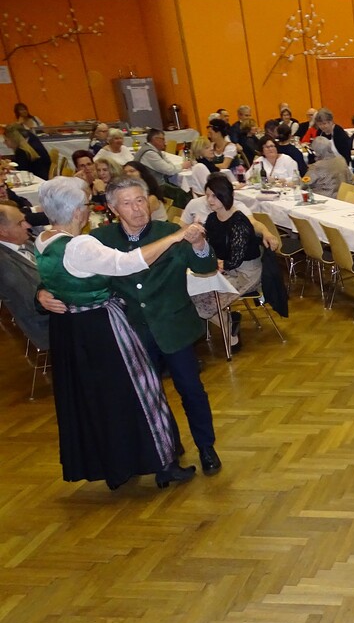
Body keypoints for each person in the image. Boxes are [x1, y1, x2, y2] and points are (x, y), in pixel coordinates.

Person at [34, 177, 202, 489]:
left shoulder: (44, 239)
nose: (88, 210)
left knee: (106, 399)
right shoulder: (81, 244)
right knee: (144, 391)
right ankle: (163, 464)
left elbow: (58, 277)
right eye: (86, 205)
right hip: (103, 328)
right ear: (77, 211)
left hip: (72, 332)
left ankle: (124, 462)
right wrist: (176, 236)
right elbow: (127, 263)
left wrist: (43, 293)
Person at [90, 176, 224, 478]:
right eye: (127, 203)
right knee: (150, 397)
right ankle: (168, 450)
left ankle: (206, 446)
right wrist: (44, 293)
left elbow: (204, 267)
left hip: (174, 326)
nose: (137, 208)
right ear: (113, 209)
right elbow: (75, 273)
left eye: (140, 200)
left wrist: (199, 243)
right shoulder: (101, 239)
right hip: (133, 332)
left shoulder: (170, 232)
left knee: (191, 390)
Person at [190, 174, 279, 351]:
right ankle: (229, 322)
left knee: (204, 303)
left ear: (226, 196)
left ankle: (230, 330)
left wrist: (218, 265)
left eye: (214, 196)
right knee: (192, 297)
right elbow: (210, 246)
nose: (210, 200)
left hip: (247, 273)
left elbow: (236, 258)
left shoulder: (239, 222)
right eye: (207, 195)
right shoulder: (213, 219)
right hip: (225, 267)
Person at [0, 203, 50, 349]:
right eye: (20, 223)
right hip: (47, 323)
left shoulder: (24, 243)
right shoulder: (3, 263)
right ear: (3, 231)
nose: (27, 225)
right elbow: (33, 302)